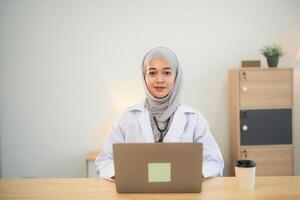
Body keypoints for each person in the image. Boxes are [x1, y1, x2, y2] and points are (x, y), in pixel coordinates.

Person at [95, 47, 224, 180]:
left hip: (182, 194)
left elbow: (214, 162)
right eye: (152, 73)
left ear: (176, 77)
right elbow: (104, 160)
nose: (159, 80)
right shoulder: (127, 118)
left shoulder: (194, 119)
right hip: (138, 194)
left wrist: (191, 175)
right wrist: (124, 175)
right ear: (144, 77)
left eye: (167, 73)